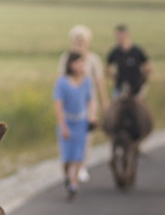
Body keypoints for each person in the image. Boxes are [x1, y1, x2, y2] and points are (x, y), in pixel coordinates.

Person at [58, 25, 108, 184]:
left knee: (85, 137)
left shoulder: (93, 59)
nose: (79, 43)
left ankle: (81, 165)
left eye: (82, 40)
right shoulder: (66, 58)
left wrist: (105, 101)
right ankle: (70, 168)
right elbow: (61, 81)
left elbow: (100, 82)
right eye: (77, 40)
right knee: (69, 138)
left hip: (89, 102)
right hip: (70, 104)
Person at [53, 52, 96, 201]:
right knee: (67, 156)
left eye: (82, 63)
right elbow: (58, 105)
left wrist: (92, 117)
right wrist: (63, 125)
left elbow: (90, 101)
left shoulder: (86, 82)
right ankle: (67, 176)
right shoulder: (62, 82)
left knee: (79, 155)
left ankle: (73, 183)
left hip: (81, 122)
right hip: (67, 121)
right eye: (78, 63)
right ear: (71, 64)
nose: (80, 66)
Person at [106, 24, 152, 97]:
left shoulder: (136, 51)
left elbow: (149, 66)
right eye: (117, 36)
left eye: (120, 35)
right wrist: (114, 77)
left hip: (137, 88)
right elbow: (107, 67)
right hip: (120, 87)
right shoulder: (115, 52)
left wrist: (142, 78)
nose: (118, 38)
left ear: (126, 35)